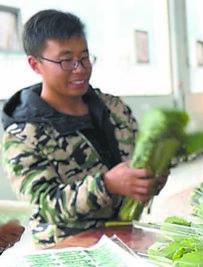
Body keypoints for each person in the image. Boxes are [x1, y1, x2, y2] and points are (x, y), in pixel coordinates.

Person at [1, 10, 163, 246]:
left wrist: (151, 177)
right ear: (35, 64)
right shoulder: (23, 134)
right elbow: (44, 203)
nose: (80, 68)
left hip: (125, 236)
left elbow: (138, 164)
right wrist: (107, 185)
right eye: (66, 60)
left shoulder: (113, 108)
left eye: (85, 57)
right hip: (67, 250)